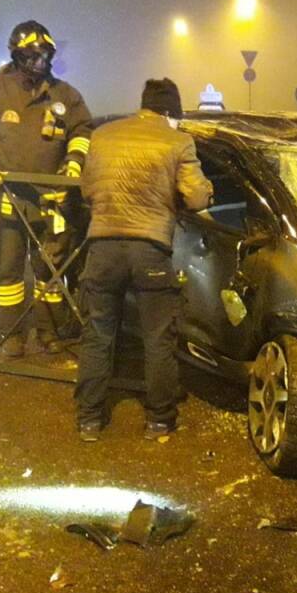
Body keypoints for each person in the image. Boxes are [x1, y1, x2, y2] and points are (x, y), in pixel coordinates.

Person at [75, 78, 213, 442]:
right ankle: (159, 420)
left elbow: (87, 189)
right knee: (158, 339)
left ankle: (89, 419)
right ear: (170, 113)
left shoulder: (103, 135)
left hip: (102, 248)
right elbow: (197, 197)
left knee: (98, 334)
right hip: (149, 248)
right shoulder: (177, 140)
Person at [0, 20, 93, 357]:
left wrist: (75, 162)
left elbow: (82, 131)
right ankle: (10, 334)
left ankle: (51, 332)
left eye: (45, 54)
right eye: (32, 55)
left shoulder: (65, 95)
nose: (40, 61)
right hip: (8, 201)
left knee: (52, 271)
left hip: (53, 200)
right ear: (17, 55)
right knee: (8, 275)